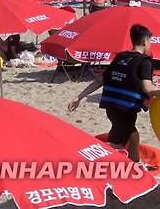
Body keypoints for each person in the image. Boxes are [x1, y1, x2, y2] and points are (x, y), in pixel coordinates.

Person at [68, 25, 160, 162]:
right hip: (126, 108)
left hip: (111, 107)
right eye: (151, 42)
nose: (150, 45)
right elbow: (147, 88)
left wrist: (79, 97)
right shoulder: (145, 61)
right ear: (145, 42)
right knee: (115, 144)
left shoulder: (121, 56)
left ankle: (135, 166)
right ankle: (85, 161)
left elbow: (101, 80)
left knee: (133, 136)